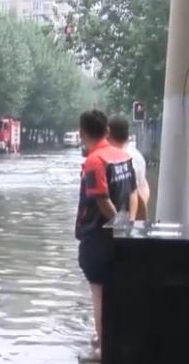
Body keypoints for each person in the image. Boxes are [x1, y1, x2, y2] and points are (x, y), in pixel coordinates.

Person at [76, 110, 138, 362]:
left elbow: (101, 200)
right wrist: (129, 224)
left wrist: (118, 224)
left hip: (98, 237)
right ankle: (109, 336)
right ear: (107, 131)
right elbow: (134, 192)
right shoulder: (123, 156)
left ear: (81, 133)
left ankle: (103, 348)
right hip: (120, 237)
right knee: (114, 291)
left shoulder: (94, 161)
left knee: (99, 293)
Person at [108, 116, 150, 220]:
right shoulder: (137, 155)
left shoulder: (121, 159)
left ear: (107, 133)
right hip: (131, 220)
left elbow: (135, 193)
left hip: (124, 222)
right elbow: (144, 187)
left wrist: (133, 220)